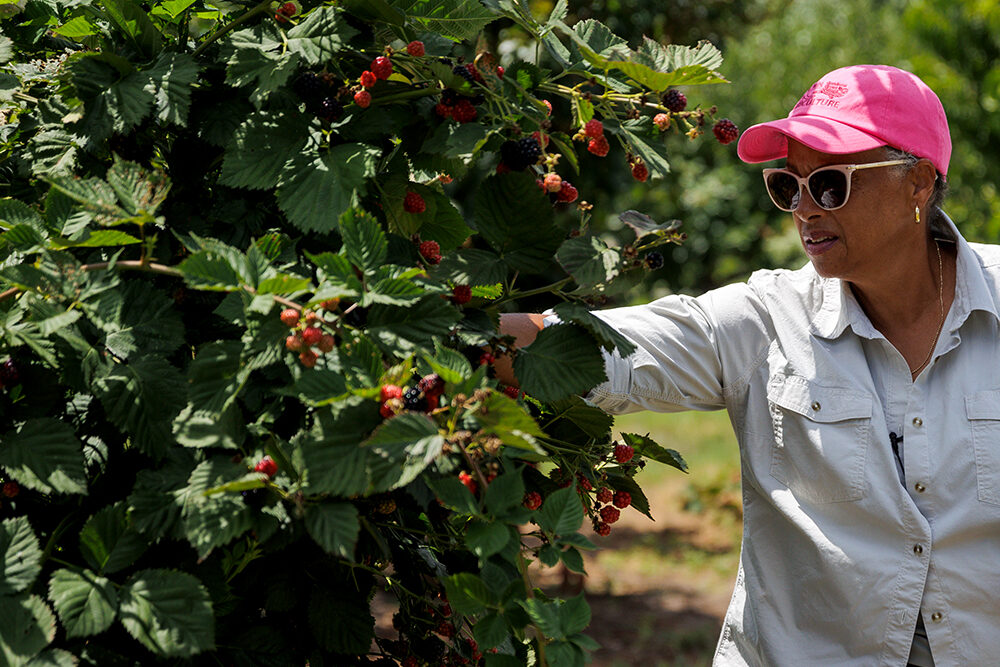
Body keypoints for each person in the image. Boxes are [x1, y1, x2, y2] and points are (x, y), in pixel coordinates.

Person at [498, 65, 1000, 666]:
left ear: (918, 182)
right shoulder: (765, 322)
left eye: (832, 184)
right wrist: (434, 336)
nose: (806, 209)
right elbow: (604, 350)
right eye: (788, 186)